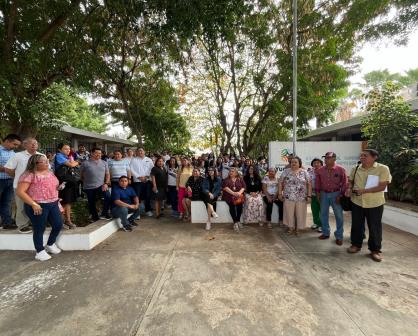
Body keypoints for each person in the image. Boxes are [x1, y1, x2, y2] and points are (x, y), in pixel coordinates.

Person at [346, 149, 391, 262]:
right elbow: (350, 181)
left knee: (375, 227)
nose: (362, 157)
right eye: (361, 155)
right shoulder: (355, 168)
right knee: (356, 225)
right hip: (357, 202)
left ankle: (375, 250)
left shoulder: (382, 168)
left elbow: (382, 186)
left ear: (374, 157)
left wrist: (364, 191)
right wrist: (349, 188)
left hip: (375, 203)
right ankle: (356, 245)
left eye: (365, 156)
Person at [16, 154, 63, 261]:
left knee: (58, 224)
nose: (47, 163)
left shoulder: (50, 173)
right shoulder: (28, 175)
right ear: (35, 164)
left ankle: (50, 244)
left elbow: (50, 186)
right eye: (44, 161)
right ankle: (39, 251)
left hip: (53, 203)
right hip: (38, 205)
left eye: (47, 161)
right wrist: (33, 204)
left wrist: (57, 189)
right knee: (39, 228)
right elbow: (20, 192)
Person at [5, 137, 45, 233]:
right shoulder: (18, 156)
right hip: (20, 187)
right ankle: (23, 225)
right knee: (21, 206)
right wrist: (18, 178)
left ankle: (35, 223)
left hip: (37, 186)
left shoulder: (41, 156)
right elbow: (8, 169)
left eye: (35, 143)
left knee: (36, 205)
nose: (34, 145)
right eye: (31, 143)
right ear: (25, 145)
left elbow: (46, 169)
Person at [315, 152, 348, 245]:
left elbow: (345, 184)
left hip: (336, 194)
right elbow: (317, 183)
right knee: (323, 214)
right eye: (325, 158)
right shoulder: (320, 170)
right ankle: (325, 233)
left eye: (328, 158)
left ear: (334, 159)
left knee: (339, 216)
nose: (326, 160)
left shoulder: (341, 169)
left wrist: (341, 195)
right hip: (324, 194)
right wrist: (318, 194)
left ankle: (339, 236)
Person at [278, 156, 312, 235]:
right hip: (288, 196)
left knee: (300, 213)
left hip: (301, 197)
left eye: (295, 162)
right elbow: (280, 182)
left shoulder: (304, 172)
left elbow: (309, 184)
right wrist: (280, 193)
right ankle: (290, 228)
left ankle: (298, 229)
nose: (293, 163)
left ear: (299, 163)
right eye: (292, 162)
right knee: (289, 213)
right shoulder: (286, 171)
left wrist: (309, 196)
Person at [80, 147, 111, 222]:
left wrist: (106, 183)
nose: (98, 155)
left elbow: (107, 174)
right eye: (96, 153)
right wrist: (87, 181)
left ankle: (104, 213)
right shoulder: (85, 163)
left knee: (108, 196)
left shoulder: (104, 163)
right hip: (88, 187)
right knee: (91, 202)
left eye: (100, 153)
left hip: (101, 185)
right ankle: (95, 217)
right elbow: (81, 175)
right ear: (92, 153)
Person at [54, 143, 79, 229]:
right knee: (62, 202)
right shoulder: (59, 156)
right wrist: (77, 162)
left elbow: (73, 164)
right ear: (60, 150)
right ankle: (60, 222)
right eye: (65, 149)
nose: (68, 150)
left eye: (69, 149)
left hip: (69, 183)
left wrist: (74, 162)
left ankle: (67, 220)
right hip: (62, 183)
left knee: (68, 202)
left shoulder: (68, 157)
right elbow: (72, 164)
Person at [0, 134, 22, 230]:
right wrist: (7, 169)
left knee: (7, 202)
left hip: (10, 181)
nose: (16, 147)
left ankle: (7, 223)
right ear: (8, 141)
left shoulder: (14, 153)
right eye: (14, 144)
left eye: (17, 145)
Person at [129, 147, 154, 217]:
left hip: (147, 180)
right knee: (137, 196)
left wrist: (146, 177)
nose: (140, 152)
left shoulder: (149, 160)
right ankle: (137, 212)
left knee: (148, 195)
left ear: (144, 151)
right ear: (136, 152)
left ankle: (148, 210)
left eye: (141, 151)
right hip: (137, 181)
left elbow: (152, 169)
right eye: (139, 151)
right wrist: (139, 177)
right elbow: (131, 169)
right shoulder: (134, 160)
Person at [222, 167, 246, 232]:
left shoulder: (240, 179)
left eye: (232, 171)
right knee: (232, 206)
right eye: (230, 171)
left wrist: (239, 193)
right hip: (229, 196)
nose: (231, 172)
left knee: (240, 207)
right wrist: (233, 193)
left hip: (238, 196)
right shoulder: (226, 180)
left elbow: (243, 187)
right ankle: (235, 223)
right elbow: (225, 188)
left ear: (236, 173)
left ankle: (238, 221)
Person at [308, 158, 323, 232]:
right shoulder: (310, 172)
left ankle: (322, 225)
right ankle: (316, 223)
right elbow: (308, 182)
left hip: (322, 194)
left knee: (322, 210)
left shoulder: (324, 171)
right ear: (312, 164)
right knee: (314, 209)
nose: (316, 164)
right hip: (313, 194)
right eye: (314, 163)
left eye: (318, 163)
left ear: (321, 164)